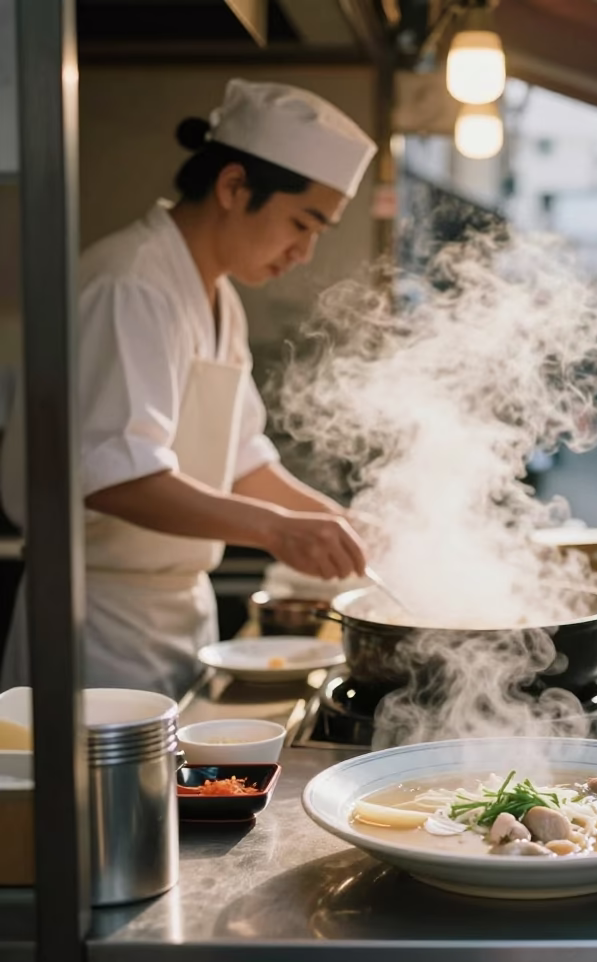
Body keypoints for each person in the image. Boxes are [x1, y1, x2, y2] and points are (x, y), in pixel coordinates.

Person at [0, 79, 378, 697]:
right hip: (97, 623)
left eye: (319, 233)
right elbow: (116, 476)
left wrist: (339, 522)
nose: (304, 253)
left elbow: (240, 460)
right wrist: (277, 530)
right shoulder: (130, 283)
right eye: (301, 223)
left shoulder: (219, 296)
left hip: (180, 614)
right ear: (233, 187)